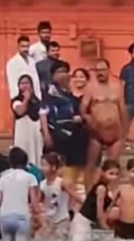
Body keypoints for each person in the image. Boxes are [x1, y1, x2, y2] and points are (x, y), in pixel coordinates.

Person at [43, 60, 89, 194]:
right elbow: (43, 113)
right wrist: (46, 133)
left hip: (71, 132)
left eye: (65, 71)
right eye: (59, 72)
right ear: (53, 75)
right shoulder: (48, 92)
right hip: (56, 132)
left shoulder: (68, 94)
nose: (63, 75)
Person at [81, 59, 127, 189]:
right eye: (97, 70)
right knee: (91, 165)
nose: (100, 73)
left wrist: (124, 133)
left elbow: (123, 110)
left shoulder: (117, 87)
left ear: (108, 70)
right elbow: (83, 109)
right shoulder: (90, 88)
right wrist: (88, 119)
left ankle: (112, 193)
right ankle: (89, 193)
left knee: (114, 166)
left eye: (102, 70)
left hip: (115, 132)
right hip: (97, 133)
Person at [35, 153, 82, 241]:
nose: (42, 168)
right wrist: (39, 215)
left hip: (62, 219)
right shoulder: (42, 185)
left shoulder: (61, 183)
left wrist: (83, 205)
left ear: (53, 167)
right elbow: (37, 203)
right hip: (49, 219)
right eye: (42, 165)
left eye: (45, 165)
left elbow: (74, 195)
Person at [70, 159, 119, 241]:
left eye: (116, 174)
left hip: (89, 223)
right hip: (82, 223)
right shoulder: (101, 188)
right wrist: (106, 228)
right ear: (103, 173)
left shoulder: (105, 188)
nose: (114, 177)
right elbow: (99, 213)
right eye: (111, 174)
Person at [0, 148, 40, 241]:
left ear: (10, 162)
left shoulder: (3, 178)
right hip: (22, 216)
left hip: (4, 216)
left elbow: (1, 200)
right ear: (25, 162)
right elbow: (34, 202)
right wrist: (38, 214)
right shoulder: (30, 177)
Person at [11, 74, 46, 166]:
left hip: (35, 133)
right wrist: (26, 99)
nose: (24, 85)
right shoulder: (16, 100)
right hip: (23, 133)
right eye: (22, 83)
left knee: (36, 155)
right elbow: (20, 111)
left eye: (26, 83)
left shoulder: (37, 101)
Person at [6, 35, 42, 101]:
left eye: (27, 46)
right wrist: (15, 100)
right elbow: (12, 83)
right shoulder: (12, 62)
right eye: (23, 46)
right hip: (20, 98)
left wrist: (39, 96)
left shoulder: (32, 61)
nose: (25, 49)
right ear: (18, 47)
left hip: (34, 97)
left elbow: (36, 80)